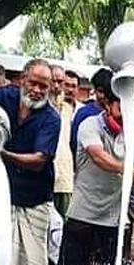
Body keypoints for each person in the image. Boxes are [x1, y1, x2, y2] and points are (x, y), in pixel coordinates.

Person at [54, 79, 134, 265]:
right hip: (84, 211)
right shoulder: (90, 125)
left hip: (115, 215)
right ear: (108, 104)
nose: (127, 112)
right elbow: (98, 156)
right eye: (122, 106)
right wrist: (131, 170)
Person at [0, 58, 60, 265]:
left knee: (35, 257)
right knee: (9, 254)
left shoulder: (50, 118)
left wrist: (3, 154)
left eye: (45, 86)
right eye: (34, 83)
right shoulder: (3, 97)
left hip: (36, 198)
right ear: (22, 80)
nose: (38, 90)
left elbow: (39, 160)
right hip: (5, 193)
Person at [53, 70, 80, 219]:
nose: (69, 89)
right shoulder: (47, 108)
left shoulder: (74, 110)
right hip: (47, 175)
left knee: (64, 222)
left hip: (66, 175)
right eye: (66, 85)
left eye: (72, 86)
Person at [70, 68, 112, 160]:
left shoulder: (116, 114)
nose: (104, 96)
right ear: (94, 90)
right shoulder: (84, 113)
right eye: (101, 91)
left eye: (108, 92)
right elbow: (74, 144)